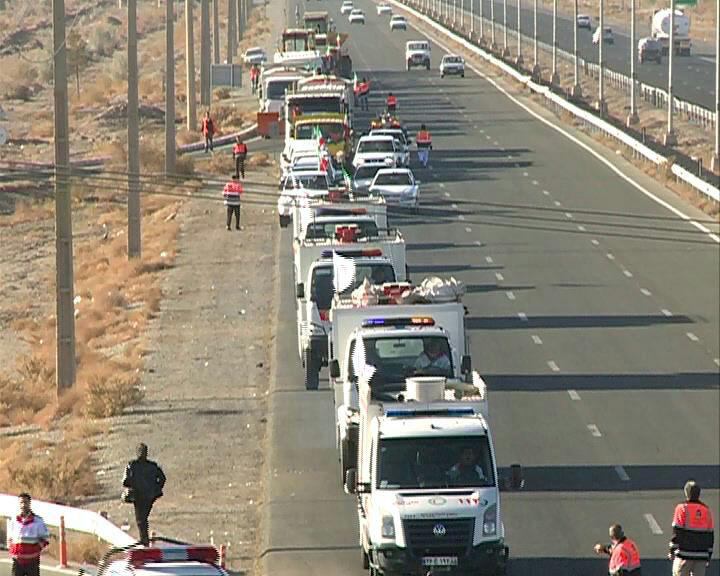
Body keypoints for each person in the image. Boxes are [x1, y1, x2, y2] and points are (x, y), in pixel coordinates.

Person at [122, 443, 166, 547]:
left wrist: (134, 485)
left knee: (141, 519)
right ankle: (144, 539)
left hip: (139, 496)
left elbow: (125, 481)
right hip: (149, 496)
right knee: (143, 518)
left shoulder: (132, 465)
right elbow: (162, 479)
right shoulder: (152, 466)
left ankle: (144, 541)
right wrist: (156, 489)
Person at [669, 480, 714, 576]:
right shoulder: (706, 510)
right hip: (701, 556)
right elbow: (710, 536)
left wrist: (672, 551)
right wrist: (708, 555)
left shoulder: (681, 508)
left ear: (686, 493)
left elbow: (677, 532)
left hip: (684, 555)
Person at [8, 493, 49, 576]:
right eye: (21, 503)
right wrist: (12, 551)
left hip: (32, 562)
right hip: (17, 562)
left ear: (29, 504)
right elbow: (10, 538)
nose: (23, 505)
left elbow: (45, 539)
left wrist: (35, 550)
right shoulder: (14, 520)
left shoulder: (38, 521)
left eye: (25, 502)